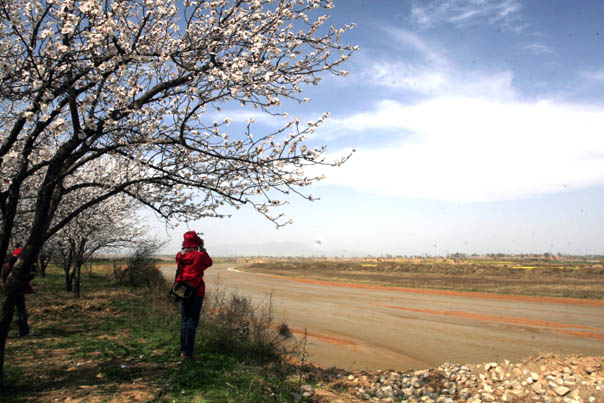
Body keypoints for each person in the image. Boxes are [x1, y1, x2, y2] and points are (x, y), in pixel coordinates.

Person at [175, 230, 212, 360]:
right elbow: (209, 263)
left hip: (182, 291)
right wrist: (202, 248)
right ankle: (188, 354)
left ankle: (183, 350)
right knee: (192, 322)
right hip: (196, 292)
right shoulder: (199, 256)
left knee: (184, 321)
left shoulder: (179, 255)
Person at [1, 248, 34, 337]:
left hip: (7, 290)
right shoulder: (21, 266)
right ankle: (24, 331)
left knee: (5, 311)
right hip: (18, 291)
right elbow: (26, 278)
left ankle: (4, 331)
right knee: (21, 311)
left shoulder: (6, 265)